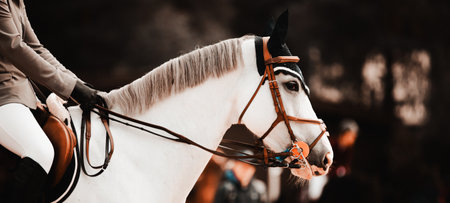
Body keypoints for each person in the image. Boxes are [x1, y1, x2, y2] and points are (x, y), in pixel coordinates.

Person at [0, 0, 101, 202]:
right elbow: (15, 47)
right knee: (41, 152)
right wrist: (70, 88)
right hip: (4, 94)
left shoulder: (16, 2)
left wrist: (78, 84)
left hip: (21, 95)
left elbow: (37, 48)